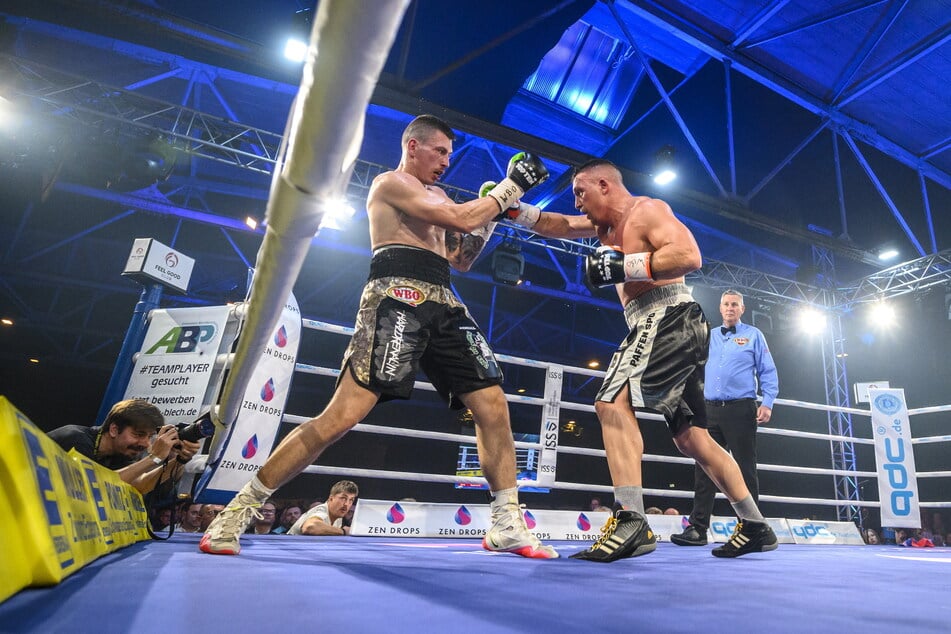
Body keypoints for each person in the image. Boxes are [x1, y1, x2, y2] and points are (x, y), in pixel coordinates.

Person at [200, 114, 557, 558]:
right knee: (341, 417)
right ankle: (237, 511)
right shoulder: (390, 184)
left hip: (443, 299)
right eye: (440, 151)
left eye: (449, 153)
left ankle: (506, 521)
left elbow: (459, 257)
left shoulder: (441, 195)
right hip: (395, 294)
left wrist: (491, 219)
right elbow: (459, 218)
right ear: (413, 146)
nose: (447, 161)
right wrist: (508, 190)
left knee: (493, 404)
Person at [500, 158, 777, 560]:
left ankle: (631, 519)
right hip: (663, 322)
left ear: (604, 184)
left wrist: (626, 264)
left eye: (581, 191)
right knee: (692, 438)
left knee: (609, 402)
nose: (577, 202)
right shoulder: (603, 227)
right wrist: (512, 208)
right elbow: (557, 223)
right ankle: (755, 525)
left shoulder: (647, 210)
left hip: (666, 314)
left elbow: (689, 256)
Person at [670, 289, 779, 547]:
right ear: (720, 309)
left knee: (744, 468)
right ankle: (697, 529)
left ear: (742, 309)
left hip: (741, 408)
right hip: (708, 409)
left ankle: (751, 527)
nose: (730, 308)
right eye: (726, 304)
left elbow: (768, 370)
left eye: (734, 304)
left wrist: (768, 402)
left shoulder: (754, 335)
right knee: (704, 468)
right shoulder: (708, 336)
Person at [47, 398, 200, 495]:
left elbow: (139, 486)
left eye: (149, 436)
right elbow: (94, 488)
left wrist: (179, 461)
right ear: (114, 429)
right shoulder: (74, 438)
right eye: (139, 434)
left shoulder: (120, 454)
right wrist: (154, 458)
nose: (145, 443)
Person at [288, 481, 358, 536]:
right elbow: (310, 527)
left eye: (351, 500)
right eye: (343, 498)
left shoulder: (338, 516)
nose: (346, 504)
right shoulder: (322, 511)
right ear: (331, 498)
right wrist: (343, 531)